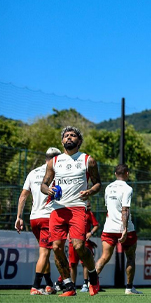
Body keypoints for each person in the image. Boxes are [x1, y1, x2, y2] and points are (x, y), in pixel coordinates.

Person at [40, 126, 102, 296]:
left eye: (73, 135)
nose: (69, 138)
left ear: (79, 141)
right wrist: (48, 190)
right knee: (57, 247)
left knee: (79, 246)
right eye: (66, 136)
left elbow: (98, 183)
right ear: (62, 141)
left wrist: (90, 191)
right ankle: (69, 286)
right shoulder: (54, 161)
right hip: (58, 209)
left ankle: (92, 275)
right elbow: (44, 185)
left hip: (78, 208)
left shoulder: (88, 160)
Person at [15, 147, 62, 295]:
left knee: (44, 251)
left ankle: (48, 284)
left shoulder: (33, 172)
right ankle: (35, 286)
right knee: (44, 253)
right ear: (56, 159)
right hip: (48, 218)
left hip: (34, 218)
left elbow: (23, 196)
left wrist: (19, 217)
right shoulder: (57, 173)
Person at [94, 164, 142, 295]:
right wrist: (125, 229)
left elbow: (108, 208)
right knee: (130, 257)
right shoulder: (128, 188)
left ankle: (90, 285)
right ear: (127, 173)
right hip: (124, 229)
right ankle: (129, 288)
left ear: (115, 174)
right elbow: (125, 209)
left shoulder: (108, 187)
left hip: (109, 227)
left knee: (104, 257)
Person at [69, 200, 99, 293]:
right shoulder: (71, 213)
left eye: (89, 206)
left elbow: (96, 225)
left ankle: (85, 284)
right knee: (72, 264)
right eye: (88, 206)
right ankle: (72, 285)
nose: (88, 207)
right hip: (72, 241)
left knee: (85, 263)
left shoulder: (89, 214)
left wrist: (91, 233)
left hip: (84, 241)